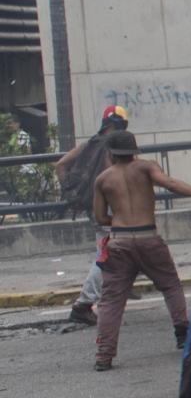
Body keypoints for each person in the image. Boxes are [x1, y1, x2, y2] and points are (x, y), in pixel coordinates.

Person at [91, 131, 191, 371]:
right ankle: (182, 333)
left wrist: (122, 221)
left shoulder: (103, 179)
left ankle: (104, 355)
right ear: (134, 151)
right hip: (148, 237)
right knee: (170, 285)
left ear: (110, 153)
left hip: (119, 242)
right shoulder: (145, 168)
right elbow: (170, 183)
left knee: (111, 300)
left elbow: (100, 217)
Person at [55, 105, 129, 326]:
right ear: (121, 124)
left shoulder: (90, 144)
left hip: (92, 206)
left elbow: (60, 165)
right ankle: (83, 304)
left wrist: (71, 191)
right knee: (106, 256)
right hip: (109, 207)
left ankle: (116, 291)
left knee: (115, 252)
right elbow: (114, 177)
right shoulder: (111, 147)